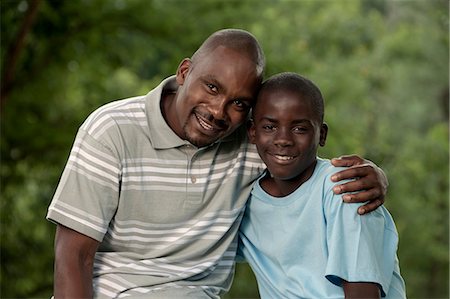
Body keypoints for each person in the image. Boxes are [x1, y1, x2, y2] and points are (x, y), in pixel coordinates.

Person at [47, 29, 388, 298]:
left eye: (238, 103)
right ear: (184, 72)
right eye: (211, 87)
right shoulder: (112, 130)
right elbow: (73, 257)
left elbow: (301, 156)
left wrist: (376, 175)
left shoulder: (249, 144)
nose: (218, 111)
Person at [238, 72, 406, 298]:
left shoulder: (343, 188)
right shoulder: (244, 199)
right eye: (269, 127)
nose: (283, 139)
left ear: (322, 135)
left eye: (300, 128)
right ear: (252, 132)